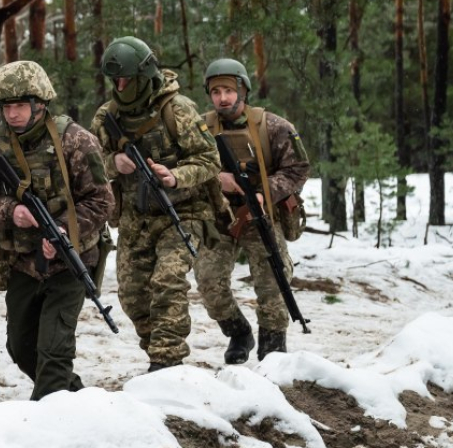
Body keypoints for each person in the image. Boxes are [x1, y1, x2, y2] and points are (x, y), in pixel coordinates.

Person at [0, 60, 114, 398]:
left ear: (40, 103)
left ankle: (47, 424)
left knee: (54, 352)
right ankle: (78, 400)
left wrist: (61, 233)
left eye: (20, 106)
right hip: (21, 263)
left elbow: (102, 201)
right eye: (6, 106)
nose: (12, 114)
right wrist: (11, 211)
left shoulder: (76, 141)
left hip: (71, 262)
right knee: (21, 347)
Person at [89, 36, 221, 372]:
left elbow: (209, 160)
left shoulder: (178, 111)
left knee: (168, 281)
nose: (120, 86)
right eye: (115, 80)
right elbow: (87, 165)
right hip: (135, 216)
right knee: (132, 296)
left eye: (127, 80)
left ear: (145, 75)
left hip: (183, 213)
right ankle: (157, 350)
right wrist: (113, 163)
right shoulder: (106, 118)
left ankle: (167, 362)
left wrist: (176, 175)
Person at [195, 58, 311, 362]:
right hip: (219, 216)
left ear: (243, 89)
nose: (222, 98)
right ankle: (238, 333)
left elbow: (299, 167)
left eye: (229, 90)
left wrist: (263, 193)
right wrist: (215, 178)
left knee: (273, 281)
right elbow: (183, 167)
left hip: (260, 213)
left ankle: (273, 350)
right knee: (208, 281)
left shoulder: (272, 126)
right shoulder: (199, 128)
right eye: (216, 91)